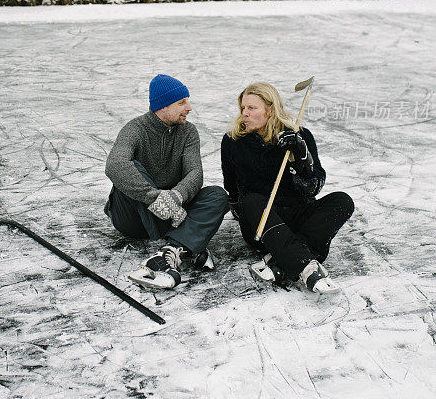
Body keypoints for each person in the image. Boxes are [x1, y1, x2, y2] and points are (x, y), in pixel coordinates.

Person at [221, 82, 354, 294]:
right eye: (243, 108)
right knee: (252, 201)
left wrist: (302, 158)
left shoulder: (300, 136)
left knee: (342, 201)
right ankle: (304, 265)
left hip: (297, 216)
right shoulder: (233, 140)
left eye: (251, 108)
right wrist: (242, 211)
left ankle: (281, 261)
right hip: (262, 221)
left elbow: (313, 188)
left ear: (270, 110)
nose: (244, 113)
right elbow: (232, 189)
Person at [105, 74, 228, 289]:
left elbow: (194, 174)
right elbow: (114, 165)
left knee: (217, 195)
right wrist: (155, 198)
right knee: (131, 168)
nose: (189, 107)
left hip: (173, 212)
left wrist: (175, 197)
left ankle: (168, 253)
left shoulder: (188, 132)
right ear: (162, 106)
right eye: (181, 102)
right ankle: (188, 242)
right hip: (133, 217)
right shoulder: (135, 129)